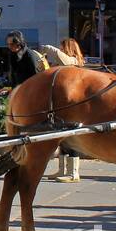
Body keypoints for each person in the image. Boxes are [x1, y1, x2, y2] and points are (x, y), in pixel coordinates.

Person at [43, 37, 86, 182]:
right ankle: (62, 170)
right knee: (63, 138)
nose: (60, 50)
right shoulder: (68, 62)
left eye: (62, 47)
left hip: (73, 104)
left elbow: (65, 59)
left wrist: (49, 48)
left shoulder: (74, 61)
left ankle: (73, 173)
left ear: (68, 48)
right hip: (63, 103)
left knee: (71, 137)